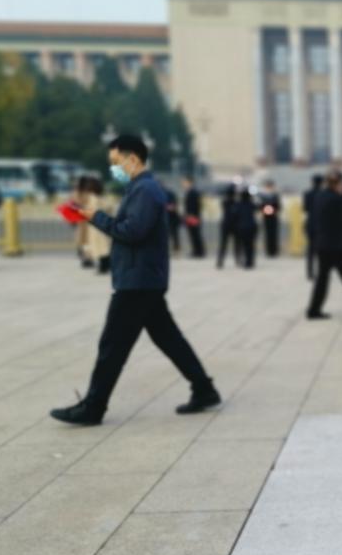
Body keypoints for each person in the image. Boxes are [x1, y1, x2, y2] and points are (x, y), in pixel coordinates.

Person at [49, 134, 220, 426]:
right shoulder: (140, 188)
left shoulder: (145, 190)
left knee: (112, 346)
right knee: (168, 339)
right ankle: (204, 389)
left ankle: (93, 407)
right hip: (142, 278)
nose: (113, 169)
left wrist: (96, 217)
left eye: (116, 162)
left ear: (133, 159)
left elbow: (132, 231)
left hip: (138, 281)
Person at [305, 170, 342, 320]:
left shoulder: (320, 196)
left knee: (322, 279)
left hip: (323, 243)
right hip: (336, 246)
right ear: (338, 183)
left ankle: (313, 309)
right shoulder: (338, 199)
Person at [83, 176, 112, 274]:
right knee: (103, 246)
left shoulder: (93, 198)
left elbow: (92, 210)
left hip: (96, 224)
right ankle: (105, 265)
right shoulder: (101, 197)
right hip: (102, 224)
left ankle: (104, 266)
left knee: (100, 247)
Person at [302, 174, 323, 280]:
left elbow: (305, 208)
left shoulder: (307, 193)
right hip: (321, 225)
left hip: (310, 223)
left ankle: (310, 272)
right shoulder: (323, 194)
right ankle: (320, 272)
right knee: (321, 250)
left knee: (310, 249)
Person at [216, 184, 239, 269]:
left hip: (225, 224)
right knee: (236, 243)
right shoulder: (236, 203)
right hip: (235, 225)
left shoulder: (224, 202)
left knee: (223, 244)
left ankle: (220, 261)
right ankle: (237, 259)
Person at [182, 176, 205, 258]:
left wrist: (192, 215)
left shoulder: (193, 192)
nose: (183, 184)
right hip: (190, 216)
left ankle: (199, 252)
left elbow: (196, 205)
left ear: (190, 182)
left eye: (185, 182)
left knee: (196, 234)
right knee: (192, 234)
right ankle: (196, 251)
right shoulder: (189, 192)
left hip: (193, 216)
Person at [259, 179, 282, 257]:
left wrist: (273, 210)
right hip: (266, 216)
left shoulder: (275, 195)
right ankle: (269, 251)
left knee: (274, 234)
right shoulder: (263, 195)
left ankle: (274, 250)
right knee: (267, 234)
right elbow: (261, 206)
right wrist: (265, 210)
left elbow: (278, 206)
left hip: (273, 216)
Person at [236, 189, 259, 269]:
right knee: (250, 245)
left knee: (244, 245)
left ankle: (246, 261)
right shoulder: (251, 204)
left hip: (242, 227)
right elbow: (258, 207)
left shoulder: (238, 205)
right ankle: (250, 261)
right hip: (252, 227)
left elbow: (235, 215)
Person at [164, 184, 181, 255]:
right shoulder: (170, 193)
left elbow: (173, 206)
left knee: (173, 234)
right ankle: (175, 249)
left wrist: (165, 207)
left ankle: (176, 249)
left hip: (172, 218)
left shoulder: (168, 194)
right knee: (173, 235)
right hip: (170, 218)